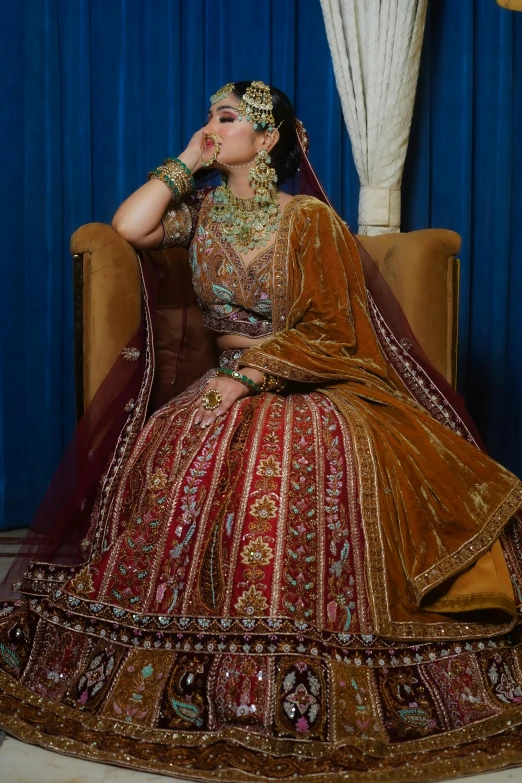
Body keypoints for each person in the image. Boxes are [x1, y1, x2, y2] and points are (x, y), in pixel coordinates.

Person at [0, 80, 522, 783]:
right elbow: (129, 225)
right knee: (180, 438)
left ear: (268, 139)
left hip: (308, 384)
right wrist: (188, 156)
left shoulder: (308, 220)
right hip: (219, 385)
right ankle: (188, 657)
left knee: (302, 455)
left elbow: (332, 331)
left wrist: (249, 376)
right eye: (208, 118)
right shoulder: (202, 211)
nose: (211, 128)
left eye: (226, 119)